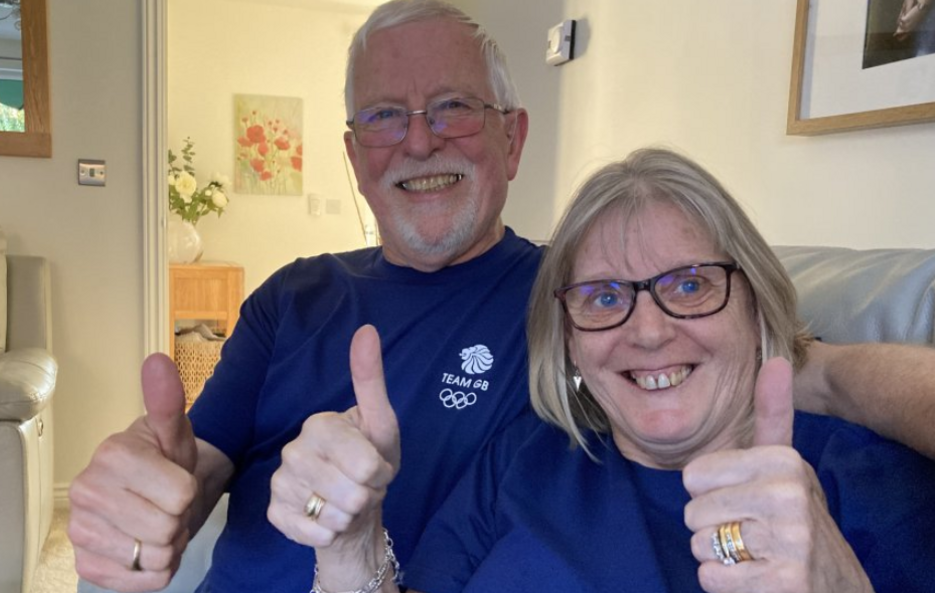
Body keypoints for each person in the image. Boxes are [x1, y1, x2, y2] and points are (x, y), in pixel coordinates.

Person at [69, 2, 935, 592]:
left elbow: (763, 365)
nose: (418, 139)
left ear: (512, 138)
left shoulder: (575, 295)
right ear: (352, 153)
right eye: (383, 117)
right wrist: (141, 496)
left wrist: (822, 375)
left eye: (452, 107)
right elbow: (194, 473)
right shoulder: (290, 296)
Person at [304, 148, 935, 593]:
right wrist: (349, 550)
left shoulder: (871, 481)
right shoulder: (526, 457)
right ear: (571, 341)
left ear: (757, 303)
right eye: (605, 297)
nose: (649, 330)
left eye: (689, 284)